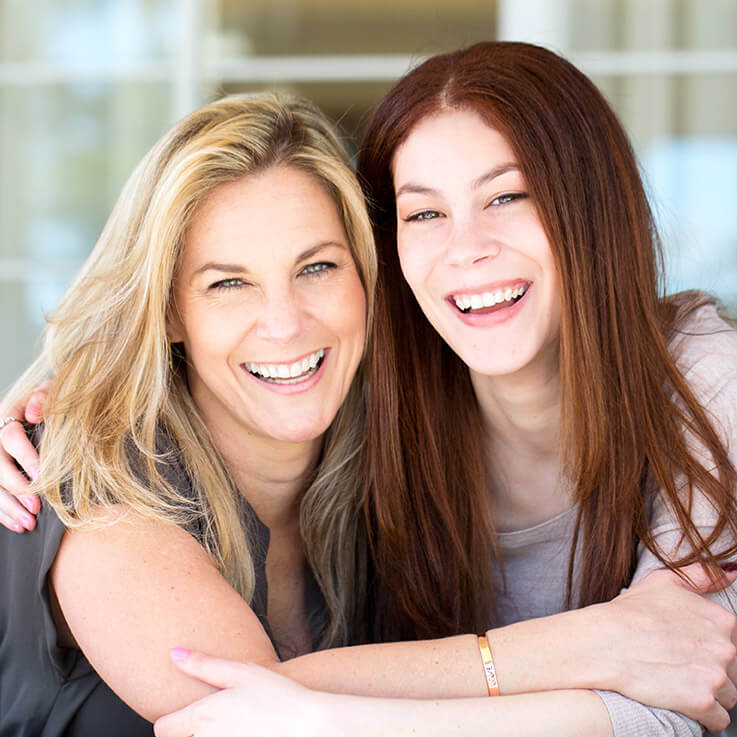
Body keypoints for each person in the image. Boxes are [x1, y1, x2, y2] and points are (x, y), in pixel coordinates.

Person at [0, 52, 736, 737]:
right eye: (228, 283)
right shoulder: (88, 470)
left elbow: (679, 696)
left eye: (317, 267)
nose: (286, 323)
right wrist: (590, 643)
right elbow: (237, 713)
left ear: (366, 275)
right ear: (166, 310)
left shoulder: (381, 430)